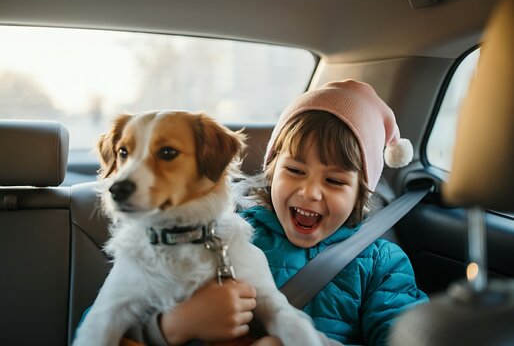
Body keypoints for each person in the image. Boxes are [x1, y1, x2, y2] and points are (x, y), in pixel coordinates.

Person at [128, 80, 429, 346]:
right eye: (295, 170)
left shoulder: (381, 264)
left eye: (335, 181)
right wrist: (175, 326)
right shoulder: (217, 235)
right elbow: (105, 317)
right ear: (271, 172)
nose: (310, 192)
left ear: (360, 193)